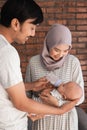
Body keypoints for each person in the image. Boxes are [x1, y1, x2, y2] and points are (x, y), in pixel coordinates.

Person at [0, 1, 78, 130]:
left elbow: (5, 87)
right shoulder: (7, 52)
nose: (33, 34)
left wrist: (32, 85)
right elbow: (21, 102)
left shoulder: (72, 62)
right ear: (15, 23)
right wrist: (60, 110)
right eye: (32, 27)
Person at [25, 24, 84, 130]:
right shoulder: (34, 62)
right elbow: (26, 95)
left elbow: (80, 97)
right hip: (42, 122)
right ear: (48, 43)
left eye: (65, 51)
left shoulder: (73, 62)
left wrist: (57, 103)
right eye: (56, 50)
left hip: (66, 122)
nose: (60, 55)